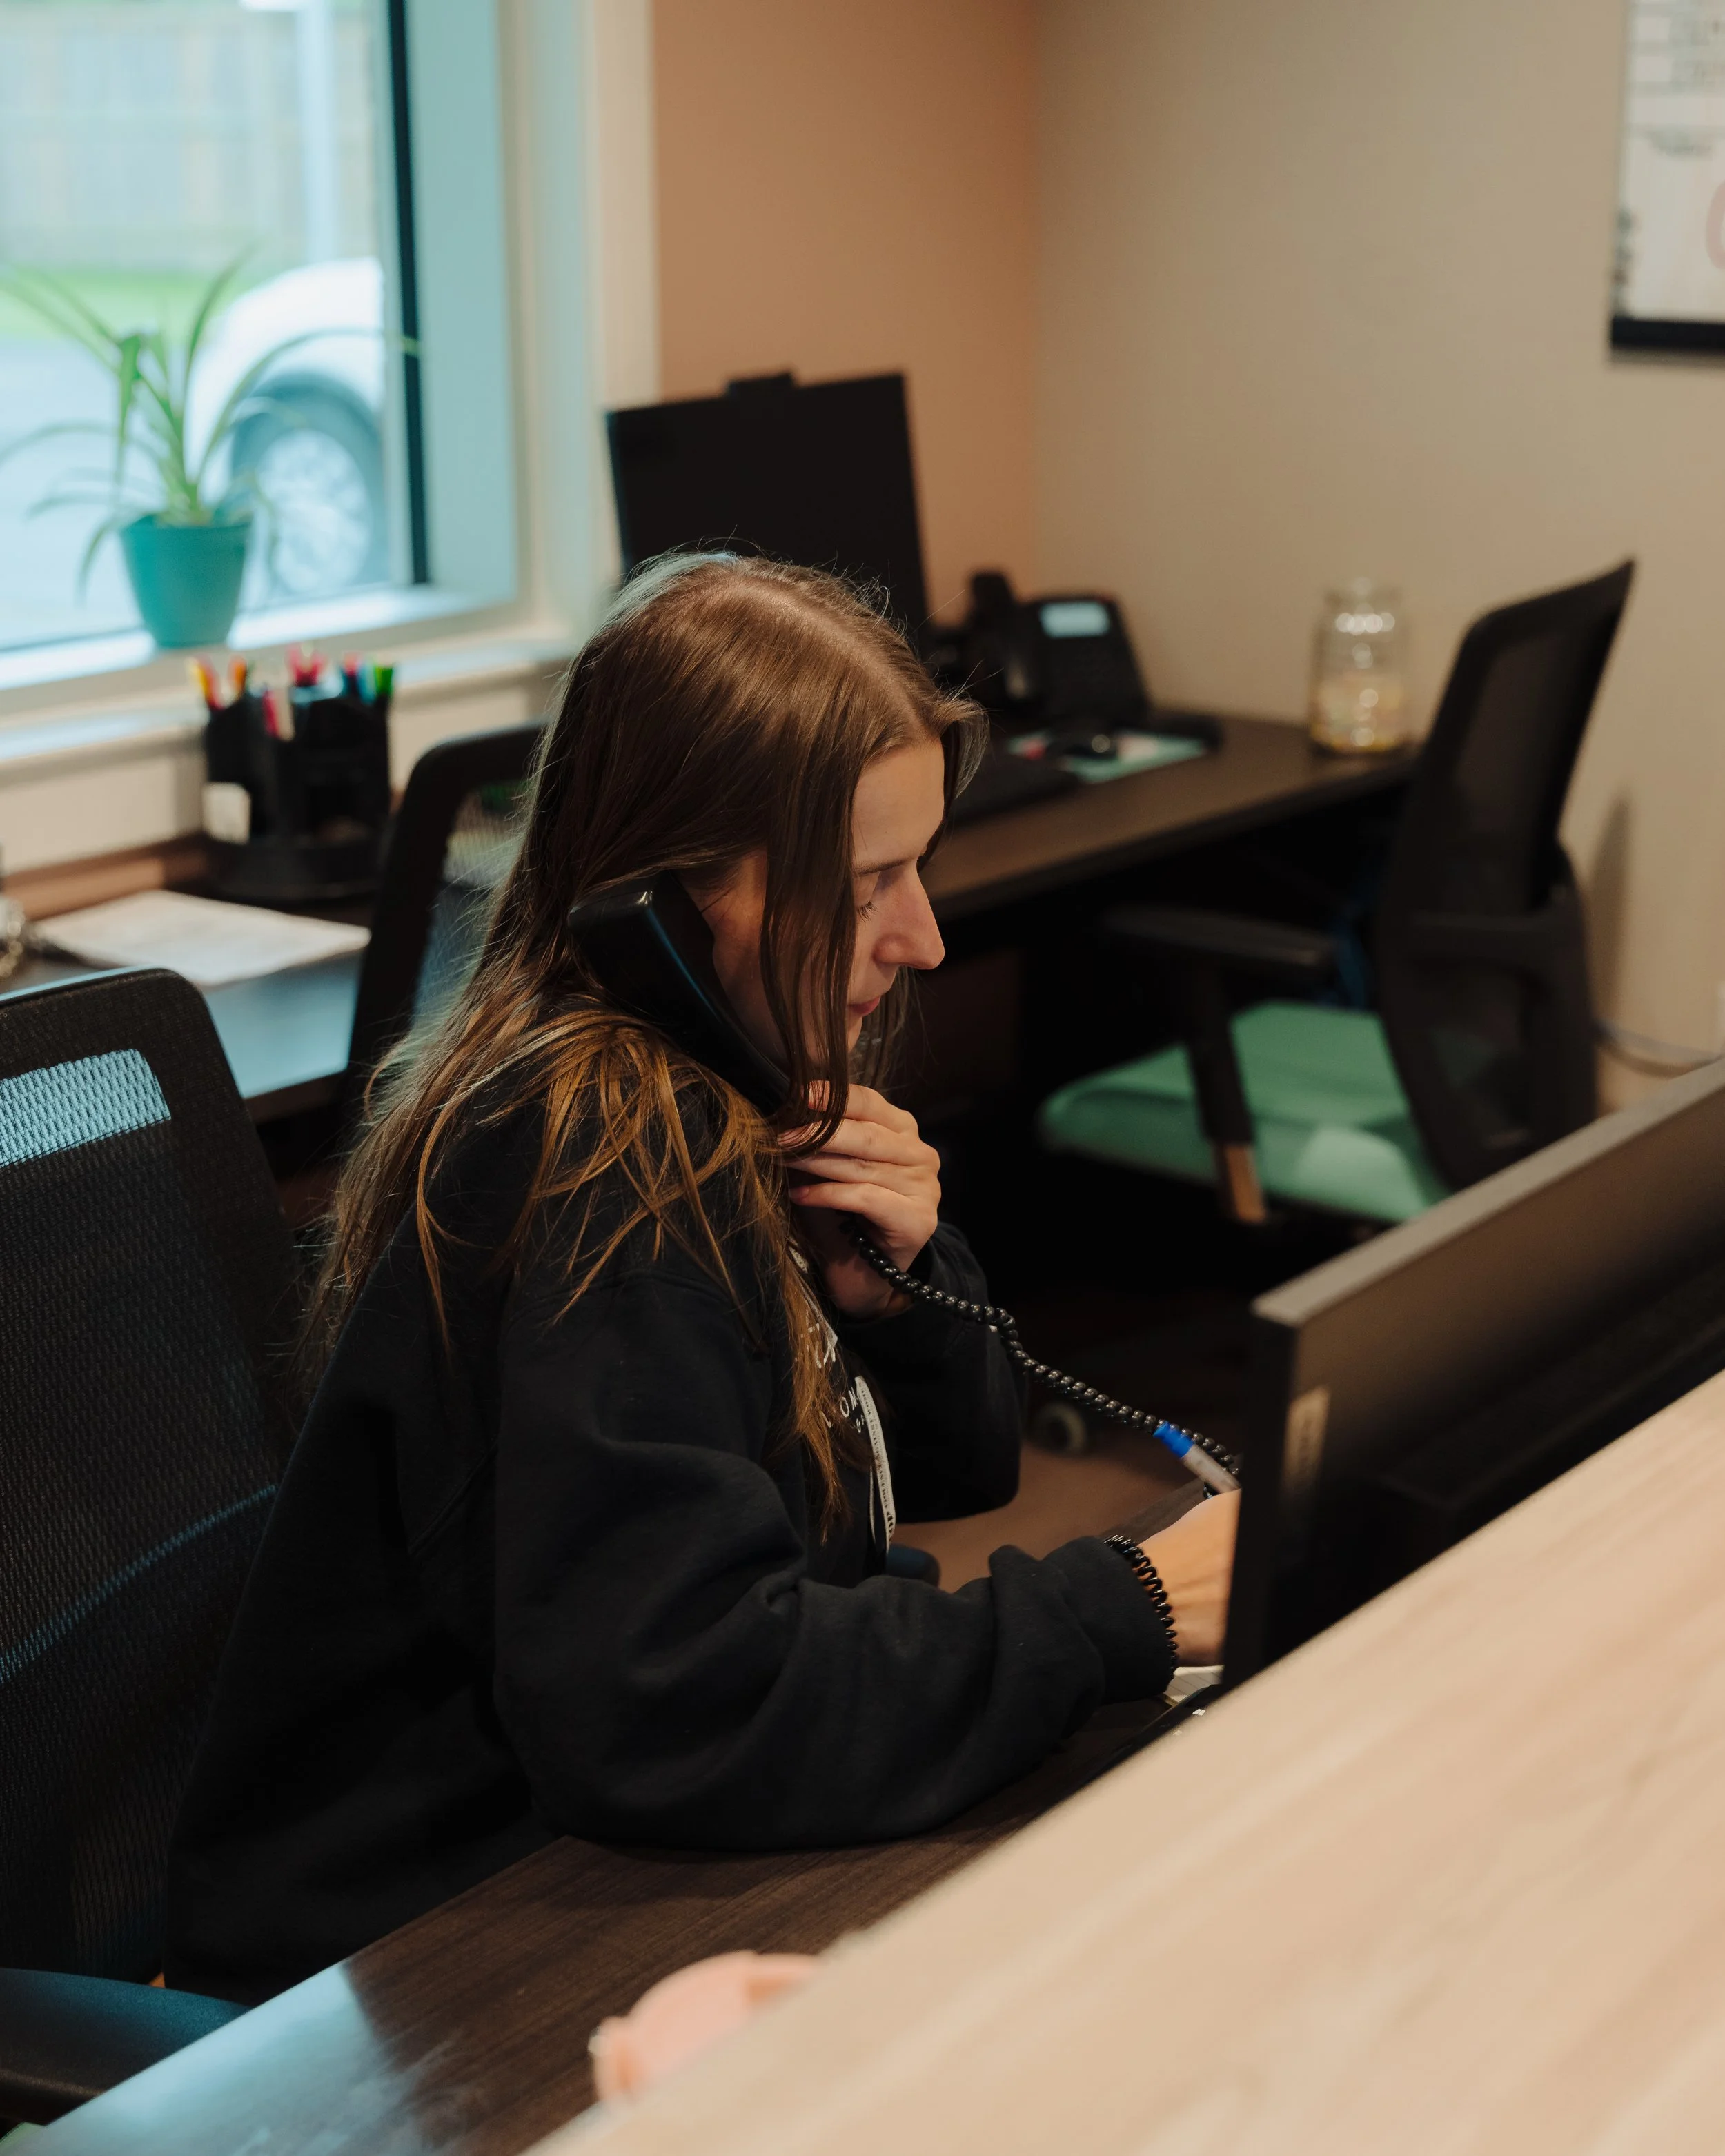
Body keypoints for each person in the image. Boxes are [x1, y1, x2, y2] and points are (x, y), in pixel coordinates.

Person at [166, 555, 1239, 2004]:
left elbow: (947, 1467)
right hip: (427, 1958)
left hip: (594, 1850)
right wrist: (1125, 1600)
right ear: (667, 903)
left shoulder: (730, 1096)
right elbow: (681, 1700)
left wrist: (894, 1291)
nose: (921, 935)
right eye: (867, 881)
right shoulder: (597, 1158)